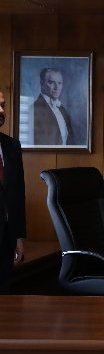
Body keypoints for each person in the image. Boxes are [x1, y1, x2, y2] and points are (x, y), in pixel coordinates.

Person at [0, 90, 27, 294]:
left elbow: (18, 193)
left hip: (6, 238)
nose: (2, 110)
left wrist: (18, 237)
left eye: (3, 105)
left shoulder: (11, 145)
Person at [31, 67, 75, 145]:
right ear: (42, 84)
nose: (57, 87)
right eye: (51, 82)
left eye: (59, 83)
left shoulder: (62, 109)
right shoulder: (34, 109)